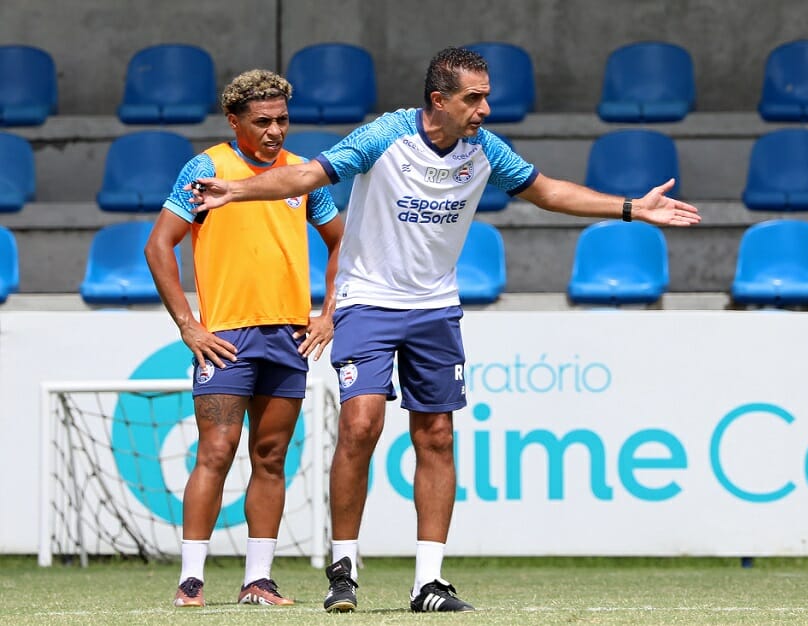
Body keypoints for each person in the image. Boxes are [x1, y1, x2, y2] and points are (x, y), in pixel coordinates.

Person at [190, 47, 701, 613]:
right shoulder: (385, 135)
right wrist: (235, 189)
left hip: (435, 309)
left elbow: (549, 191)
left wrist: (631, 207)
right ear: (440, 100)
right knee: (360, 424)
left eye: (486, 96)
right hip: (368, 303)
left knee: (436, 436)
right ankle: (344, 569)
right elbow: (309, 174)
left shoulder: (486, 150)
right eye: (473, 98)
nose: (484, 108)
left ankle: (428, 583)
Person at [144, 68, 344, 608]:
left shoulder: (303, 174)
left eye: (282, 119)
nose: (275, 131)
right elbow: (159, 246)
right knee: (215, 450)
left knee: (271, 455)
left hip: (288, 335)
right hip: (226, 336)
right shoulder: (207, 168)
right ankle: (191, 580)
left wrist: (328, 314)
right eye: (262, 121)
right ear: (234, 121)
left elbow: (341, 245)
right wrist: (189, 324)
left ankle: (259, 580)